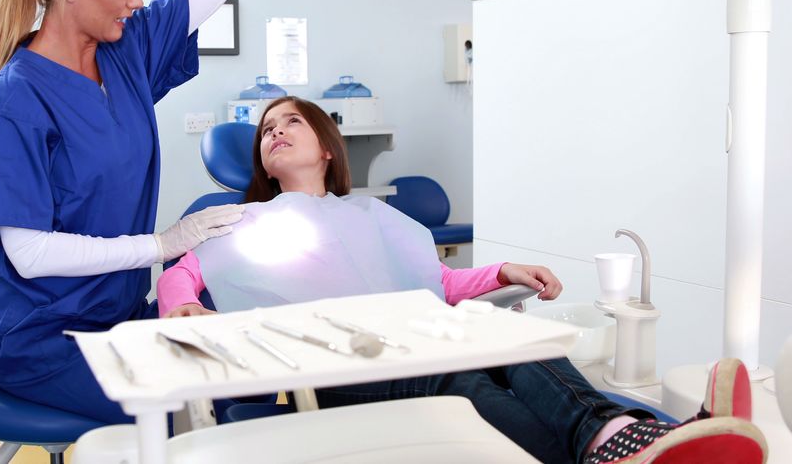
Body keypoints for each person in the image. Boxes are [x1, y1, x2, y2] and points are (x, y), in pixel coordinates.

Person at [156, 97, 768, 464]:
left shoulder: (372, 216)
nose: (274, 132)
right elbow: (181, 274)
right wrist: (182, 307)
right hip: (343, 370)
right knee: (461, 374)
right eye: (266, 130)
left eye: (291, 122)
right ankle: (632, 437)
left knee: (502, 338)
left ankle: (621, 435)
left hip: (416, 345)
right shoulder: (235, 222)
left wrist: (502, 272)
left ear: (326, 148)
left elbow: (436, 283)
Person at [0, 0, 290, 424]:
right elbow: (29, 253)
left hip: (120, 315)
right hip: (44, 337)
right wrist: (161, 246)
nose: (136, 1)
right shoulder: (16, 102)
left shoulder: (125, 50)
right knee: (186, 410)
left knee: (243, 378)